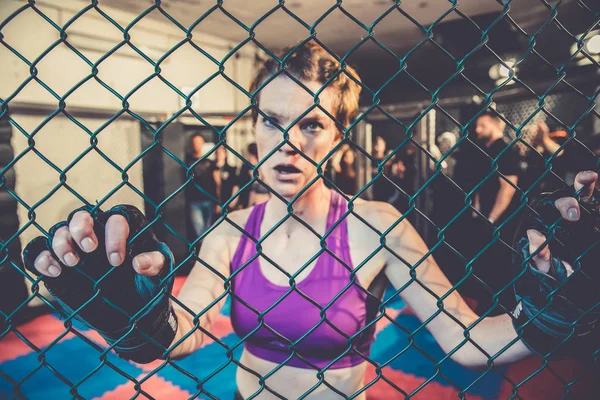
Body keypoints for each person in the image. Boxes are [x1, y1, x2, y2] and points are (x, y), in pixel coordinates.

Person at [24, 42, 599, 399]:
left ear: (339, 137)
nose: (288, 143)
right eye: (273, 121)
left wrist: (551, 307)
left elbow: (467, 342)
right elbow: (187, 328)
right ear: (253, 128)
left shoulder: (379, 226)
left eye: (311, 125)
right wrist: (134, 314)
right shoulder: (230, 231)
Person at [185, 133, 219, 237]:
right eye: (195, 142)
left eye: (199, 142)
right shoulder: (188, 162)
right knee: (199, 231)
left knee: (209, 229)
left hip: (209, 199)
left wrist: (218, 201)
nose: (197, 145)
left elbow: (216, 182)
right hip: (194, 201)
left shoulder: (209, 162)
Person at [239, 142, 271, 208]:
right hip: (256, 206)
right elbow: (252, 193)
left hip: (266, 206)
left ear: (253, 156)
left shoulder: (266, 170)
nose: (248, 158)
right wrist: (249, 207)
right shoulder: (252, 171)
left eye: (249, 155)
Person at [214, 145, 240, 211]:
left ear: (225, 154)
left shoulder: (231, 169)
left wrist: (233, 201)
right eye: (218, 153)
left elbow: (236, 186)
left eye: (222, 152)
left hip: (228, 201)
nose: (220, 155)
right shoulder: (211, 169)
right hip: (214, 202)